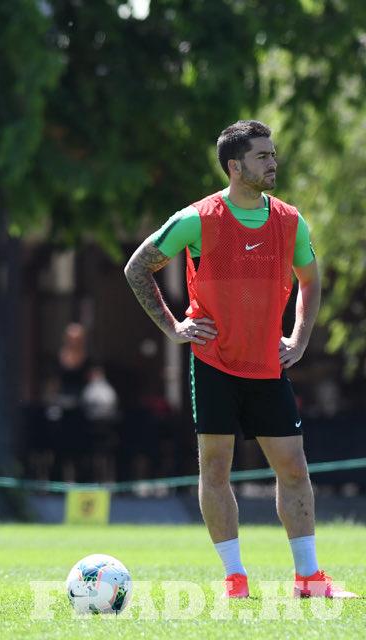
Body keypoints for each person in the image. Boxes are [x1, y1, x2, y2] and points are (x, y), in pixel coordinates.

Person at [124, 119, 356, 600]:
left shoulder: (290, 220)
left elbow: (310, 280)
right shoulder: (197, 218)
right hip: (214, 363)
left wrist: (299, 339)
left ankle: (309, 578)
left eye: (273, 154)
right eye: (262, 156)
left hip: (268, 365)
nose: (273, 163)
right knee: (215, 469)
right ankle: (235, 579)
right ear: (235, 166)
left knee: (294, 469)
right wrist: (173, 328)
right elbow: (138, 267)